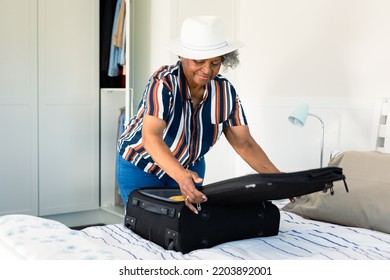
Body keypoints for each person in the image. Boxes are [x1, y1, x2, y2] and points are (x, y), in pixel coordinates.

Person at [116, 16, 280, 214]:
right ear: (182, 56)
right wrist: (179, 175)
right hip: (142, 165)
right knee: (147, 226)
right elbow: (151, 137)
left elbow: (244, 143)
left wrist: (280, 180)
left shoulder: (225, 92)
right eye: (199, 61)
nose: (207, 70)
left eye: (215, 63)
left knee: (183, 226)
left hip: (189, 166)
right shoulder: (164, 82)